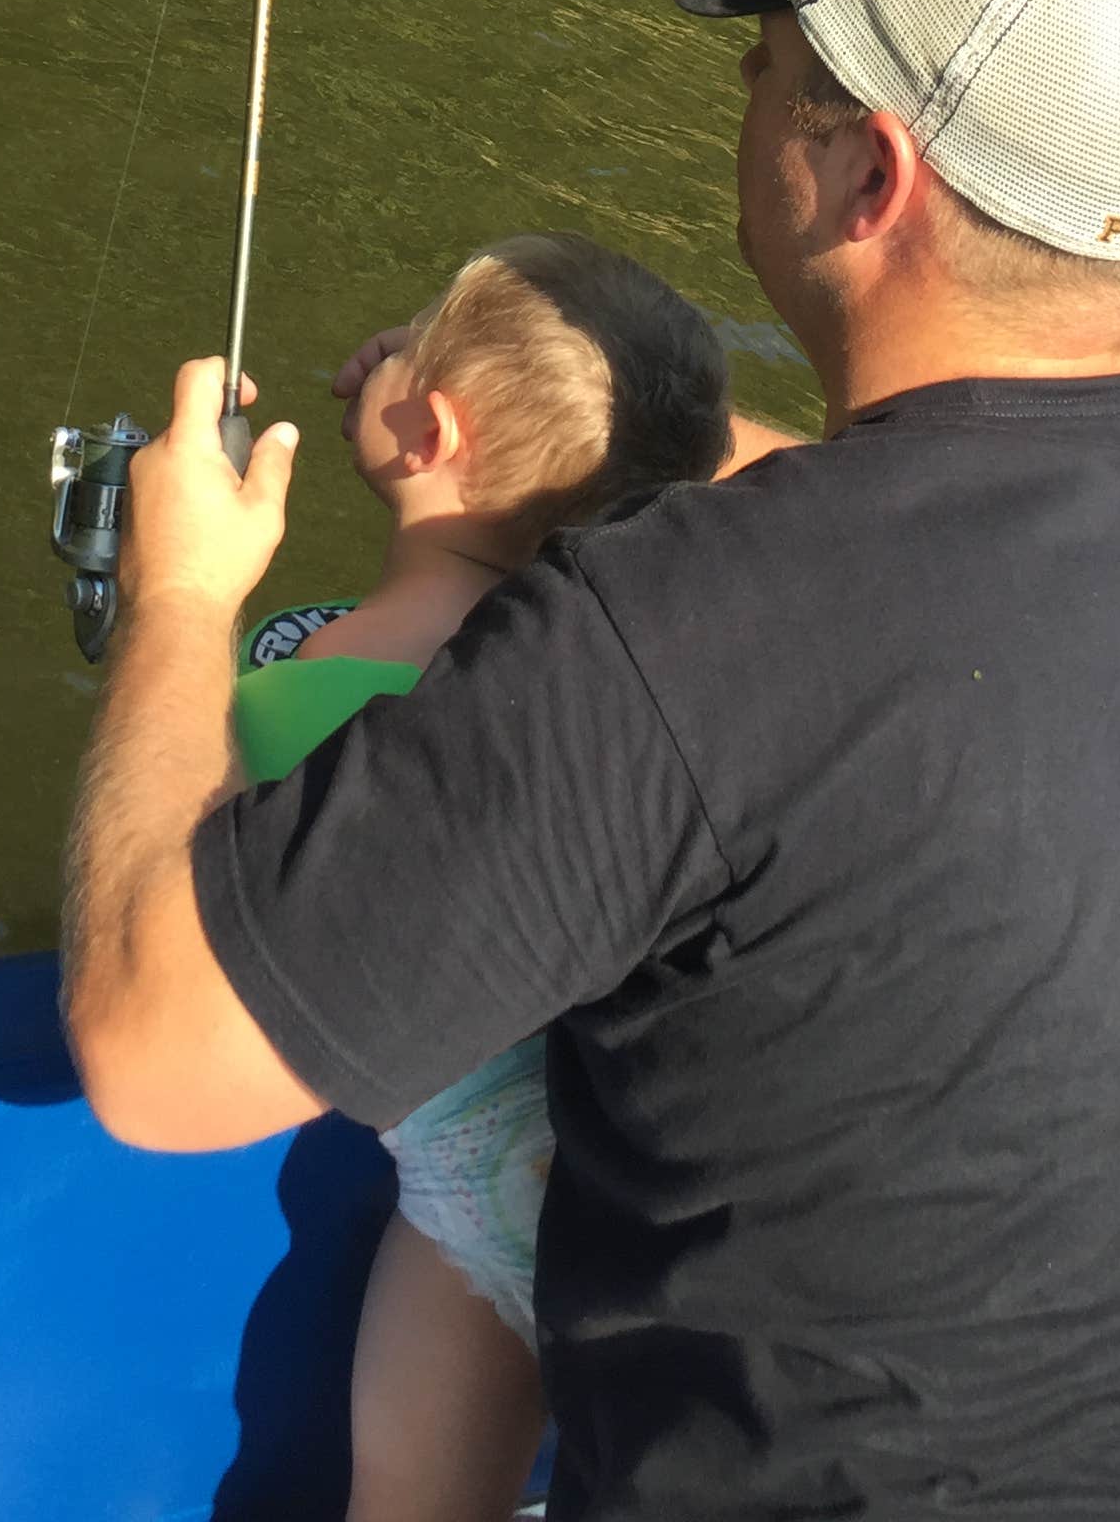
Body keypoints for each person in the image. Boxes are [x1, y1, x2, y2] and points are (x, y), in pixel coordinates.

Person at [64, 0, 1120, 1519]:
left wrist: (177, 594)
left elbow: (156, 1056)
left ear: (866, 178)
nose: (743, 105)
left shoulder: (681, 630)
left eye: (766, 75)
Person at [230, 232, 764, 1522]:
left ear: (429, 434)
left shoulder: (293, 685)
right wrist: (452, 409)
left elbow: (197, 833)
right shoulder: (619, 678)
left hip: (474, 1200)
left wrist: (186, 587)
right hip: (634, 1183)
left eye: (406, 339)